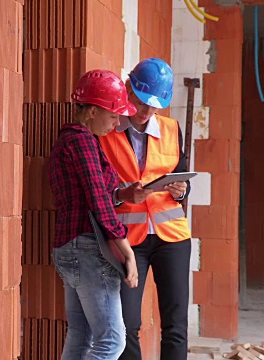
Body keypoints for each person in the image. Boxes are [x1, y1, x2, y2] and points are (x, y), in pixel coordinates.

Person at [97, 58, 192, 360]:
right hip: (127, 240)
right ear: (128, 88)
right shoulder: (106, 131)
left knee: (176, 324)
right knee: (126, 324)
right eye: (141, 103)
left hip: (172, 238)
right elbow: (99, 192)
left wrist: (181, 191)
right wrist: (124, 195)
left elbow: (182, 173)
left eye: (154, 106)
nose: (146, 112)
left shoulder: (171, 129)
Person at [48, 69, 139, 360]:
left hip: (68, 248)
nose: (117, 122)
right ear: (91, 111)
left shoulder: (68, 141)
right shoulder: (83, 141)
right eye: (112, 115)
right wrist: (127, 250)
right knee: (112, 342)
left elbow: (92, 195)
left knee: (81, 335)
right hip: (88, 248)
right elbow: (98, 199)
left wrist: (122, 194)